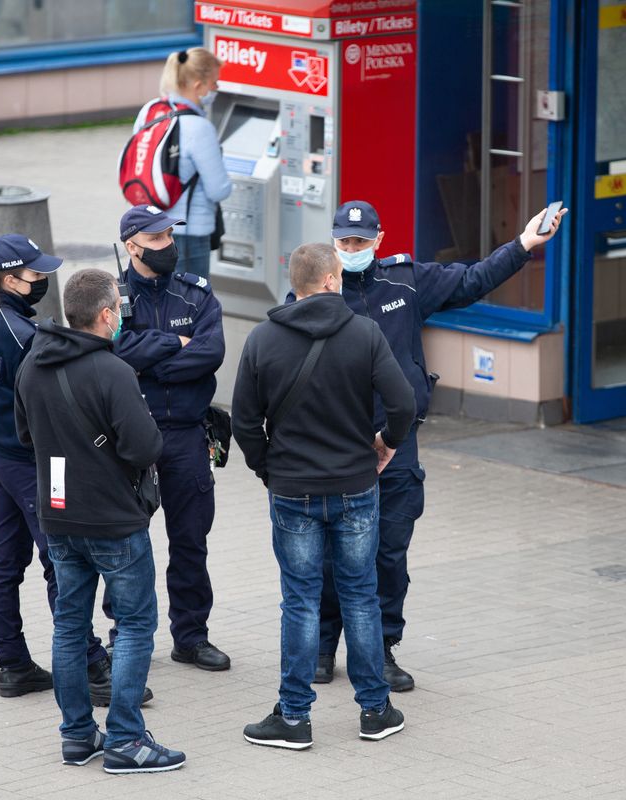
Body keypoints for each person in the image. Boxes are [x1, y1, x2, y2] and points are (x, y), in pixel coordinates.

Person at [311, 200, 567, 691]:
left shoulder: (405, 281)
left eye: (361, 242)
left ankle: (381, 650)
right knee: (330, 554)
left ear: (379, 240)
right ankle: (325, 646)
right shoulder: (320, 291)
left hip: (396, 443)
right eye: (343, 242)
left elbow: (471, 280)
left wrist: (524, 245)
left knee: (389, 554)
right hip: (339, 444)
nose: (351, 250)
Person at [231, 243, 416, 749]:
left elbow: (244, 421)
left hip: (293, 490)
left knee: (300, 600)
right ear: (334, 280)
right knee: (360, 596)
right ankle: (375, 711)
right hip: (357, 486)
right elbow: (403, 403)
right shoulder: (365, 333)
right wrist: (386, 446)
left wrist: (267, 468)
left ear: (294, 284)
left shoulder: (263, 339)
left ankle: (293, 718)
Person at [14, 268, 185, 774]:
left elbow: (26, 437)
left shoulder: (32, 364)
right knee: (134, 623)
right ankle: (128, 740)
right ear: (107, 314)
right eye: (120, 312)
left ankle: (77, 736)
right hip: (114, 518)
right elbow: (145, 446)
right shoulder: (113, 372)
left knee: (69, 624)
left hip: (59, 515)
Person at [0, 234, 115, 703]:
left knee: (5, 561)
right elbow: (53, 404)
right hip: (30, 465)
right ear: (10, 280)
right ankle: (91, 667)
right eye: (36, 274)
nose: (44, 280)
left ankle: (12, 664)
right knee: (62, 562)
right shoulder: (21, 336)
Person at [112, 204, 230, 671]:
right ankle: (125, 633)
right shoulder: (113, 296)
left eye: (169, 237)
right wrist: (173, 345)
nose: (168, 246)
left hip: (184, 434)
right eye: (157, 239)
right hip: (130, 435)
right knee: (125, 540)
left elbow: (211, 354)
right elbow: (114, 352)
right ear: (132, 246)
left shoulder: (196, 294)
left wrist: (147, 356)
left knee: (190, 540)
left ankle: (191, 636)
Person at [131, 47, 231, 279]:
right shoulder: (199, 127)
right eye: (214, 83)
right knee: (191, 306)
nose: (215, 89)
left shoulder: (150, 110)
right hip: (189, 233)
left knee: (156, 299)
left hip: (147, 227)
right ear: (198, 85)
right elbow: (218, 190)